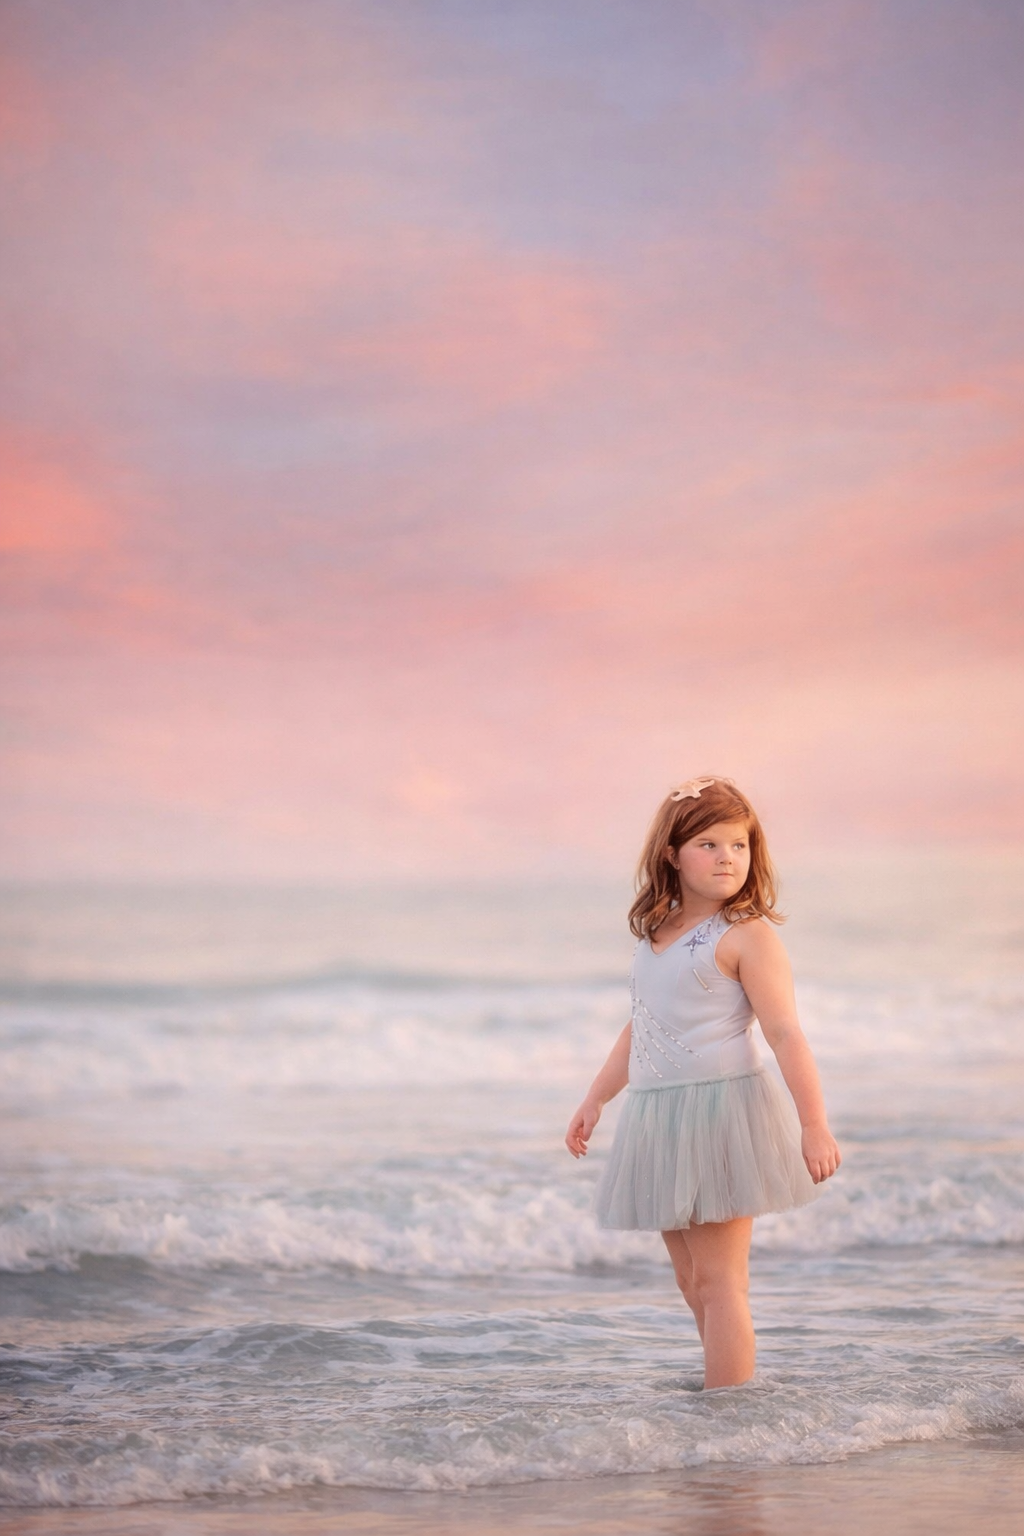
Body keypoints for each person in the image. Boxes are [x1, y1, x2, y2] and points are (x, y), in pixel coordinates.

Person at [565, 776, 840, 1390]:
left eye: (739, 846)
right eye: (709, 845)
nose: (726, 859)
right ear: (672, 854)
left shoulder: (746, 936)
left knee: (721, 1283)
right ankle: (724, 1399)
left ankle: (730, 1419)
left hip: (721, 1116)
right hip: (659, 1117)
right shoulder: (655, 935)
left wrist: (814, 1124)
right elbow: (642, 1029)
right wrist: (595, 1099)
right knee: (692, 1282)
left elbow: (786, 1034)